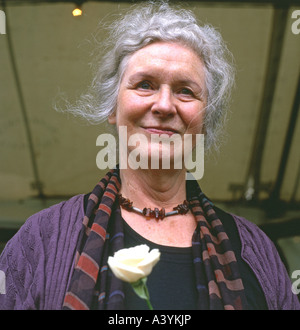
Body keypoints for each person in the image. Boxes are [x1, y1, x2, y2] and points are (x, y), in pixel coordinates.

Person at [0, 1, 299, 310]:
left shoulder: (256, 251)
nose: (164, 105)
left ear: (206, 120)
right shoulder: (41, 240)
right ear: (113, 108)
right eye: (145, 85)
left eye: (186, 91)